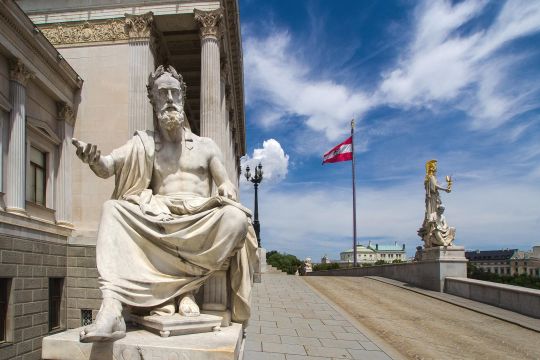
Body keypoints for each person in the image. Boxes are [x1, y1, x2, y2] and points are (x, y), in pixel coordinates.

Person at [72, 65, 257, 342]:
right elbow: (108, 166)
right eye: (162, 94)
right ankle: (112, 307)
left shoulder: (206, 146)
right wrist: (94, 158)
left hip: (199, 214)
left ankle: (181, 293)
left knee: (237, 219)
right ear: (153, 102)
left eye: (174, 93)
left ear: (183, 97)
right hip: (158, 214)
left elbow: (224, 182)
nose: (169, 99)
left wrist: (227, 188)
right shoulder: (143, 143)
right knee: (113, 209)